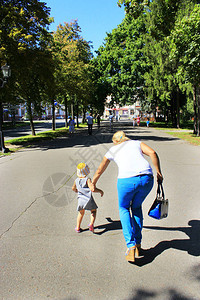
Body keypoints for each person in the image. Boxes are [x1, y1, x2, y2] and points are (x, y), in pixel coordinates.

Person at [92, 131, 163, 262]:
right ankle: (138, 244)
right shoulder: (136, 143)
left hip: (126, 181)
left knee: (124, 208)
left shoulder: (112, 150)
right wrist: (158, 172)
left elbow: (100, 169)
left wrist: (93, 184)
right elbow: (152, 153)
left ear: (115, 141)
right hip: (147, 178)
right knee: (136, 207)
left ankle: (131, 246)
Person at [72, 163, 104, 233]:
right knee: (93, 211)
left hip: (80, 200)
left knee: (81, 213)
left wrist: (77, 190)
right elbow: (92, 189)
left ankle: (78, 227)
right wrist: (100, 191)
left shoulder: (76, 180)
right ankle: (91, 224)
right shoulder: (87, 179)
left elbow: (73, 188)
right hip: (88, 199)